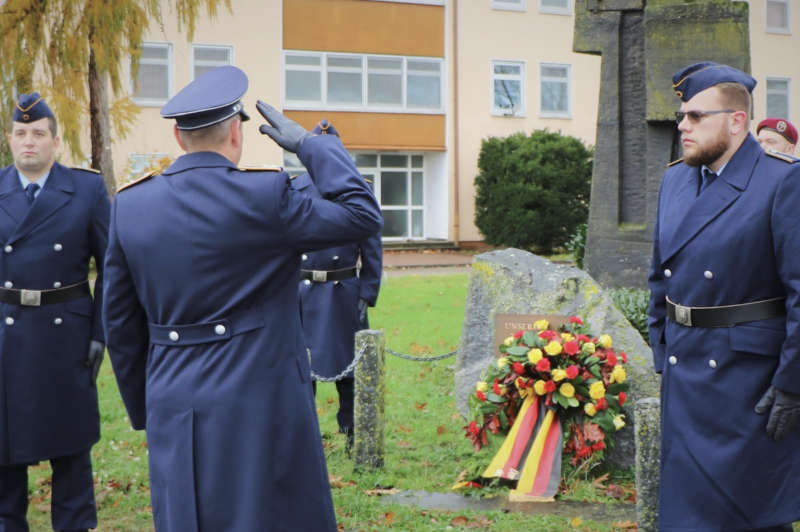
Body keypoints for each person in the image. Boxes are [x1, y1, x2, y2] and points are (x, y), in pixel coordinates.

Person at [102, 65, 382, 531]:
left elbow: (120, 322)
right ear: (236, 132)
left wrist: (148, 407)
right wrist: (312, 145)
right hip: (263, 393)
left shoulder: (130, 206)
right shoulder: (266, 195)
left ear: (178, 136)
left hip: (173, 395)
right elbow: (362, 214)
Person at [648, 61, 800, 532]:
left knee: (746, 515)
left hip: (747, 383)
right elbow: (659, 275)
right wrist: (661, 348)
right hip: (685, 371)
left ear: (736, 122)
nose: (683, 127)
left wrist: (793, 382)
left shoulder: (781, 181)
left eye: (696, 117)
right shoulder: (676, 179)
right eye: (682, 116)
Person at [0, 93, 109, 532]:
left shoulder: (85, 189)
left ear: (56, 142)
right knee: (5, 455)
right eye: (21, 133)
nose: (30, 142)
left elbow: (113, 268)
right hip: (6, 338)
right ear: (9, 139)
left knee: (72, 453)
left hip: (68, 339)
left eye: (39, 134)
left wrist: (101, 331)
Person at [295, 120, 382, 450]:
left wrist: (367, 292)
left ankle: (353, 431)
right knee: (301, 370)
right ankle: (304, 438)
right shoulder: (294, 188)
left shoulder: (356, 191)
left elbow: (372, 245)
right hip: (301, 292)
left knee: (349, 370)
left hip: (342, 291)